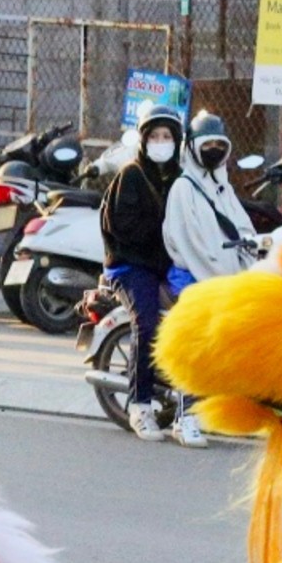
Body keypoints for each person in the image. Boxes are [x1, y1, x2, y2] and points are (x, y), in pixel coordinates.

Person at [160, 112, 263, 447]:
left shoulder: (222, 187)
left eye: (220, 145)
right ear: (192, 148)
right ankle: (185, 418)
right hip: (193, 277)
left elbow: (241, 227)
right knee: (199, 343)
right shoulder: (183, 188)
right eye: (207, 145)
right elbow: (191, 244)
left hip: (222, 278)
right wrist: (220, 276)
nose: (214, 150)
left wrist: (256, 247)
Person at [100, 103, 184, 443]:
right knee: (146, 322)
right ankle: (140, 405)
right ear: (144, 140)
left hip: (168, 264)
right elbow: (123, 227)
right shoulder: (131, 175)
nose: (161, 142)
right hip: (132, 266)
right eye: (155, 136)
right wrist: (164, 234)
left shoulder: (180, 178)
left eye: (167, 136)